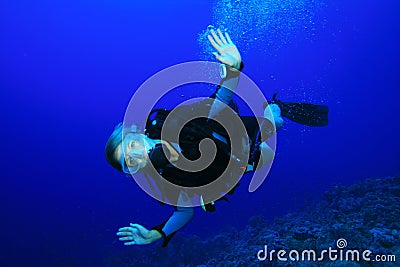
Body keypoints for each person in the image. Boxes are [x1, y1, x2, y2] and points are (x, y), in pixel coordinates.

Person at [105, 28, 329, 247]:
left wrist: (234, 70)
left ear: (140, 134)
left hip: (229, 131)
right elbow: (184, 212)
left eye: (132, 145)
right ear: (132, 173)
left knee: (274, 123)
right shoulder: (164, 182)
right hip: (241, 165)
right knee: (266, 157)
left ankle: (274, 106)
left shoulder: (174, 124)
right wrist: (156, 234)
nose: (136, 154)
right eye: (129, 162)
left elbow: (218, 102)